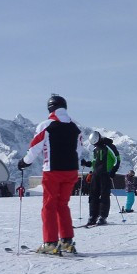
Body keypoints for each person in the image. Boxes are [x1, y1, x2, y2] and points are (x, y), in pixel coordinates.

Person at [17, 94, 87, 253]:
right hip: (71, 171)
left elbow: (35, 147)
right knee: (63, 205)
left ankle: (50, 243)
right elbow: (79, 150)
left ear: (50, 108)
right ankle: (67, 241)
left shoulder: (46, 125)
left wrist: (24, 162)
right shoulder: (76, 128)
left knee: (49, 206)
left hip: (53, 171)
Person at [81, 131, 120, 226]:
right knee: (93, 195)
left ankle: (103, 216)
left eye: (96, 142)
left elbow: (117, 159)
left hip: (105, 174)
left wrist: (113, 171)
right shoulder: (95, 149)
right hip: (96, 175)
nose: (95, 144)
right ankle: (93, 216)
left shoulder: (109, 146)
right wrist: (87, 164)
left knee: (104, 195)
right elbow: (94, 162)